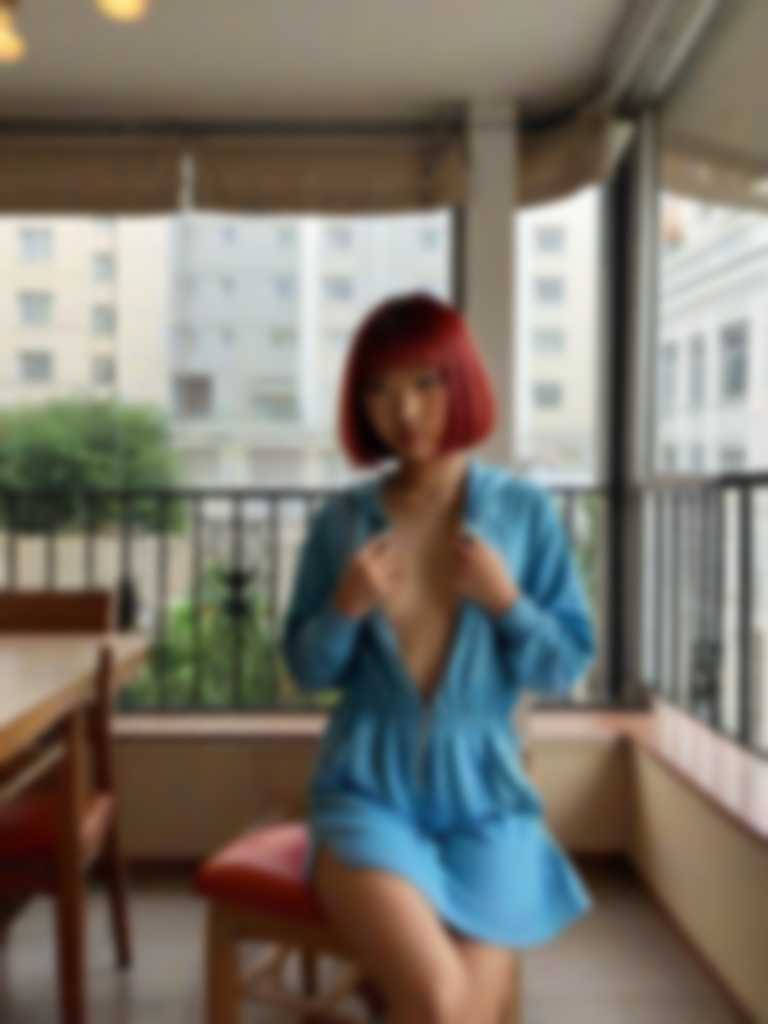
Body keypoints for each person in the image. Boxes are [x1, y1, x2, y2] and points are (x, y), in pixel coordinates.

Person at [280, 292, 597, 1024]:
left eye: (426, 383)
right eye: (380, 390)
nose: (406, 411)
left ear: (463, 382)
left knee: (447, 1009)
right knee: (441, 1002)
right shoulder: (341, 524)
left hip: (487, 802)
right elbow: (307, 669)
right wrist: (345, 608)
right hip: (367, 793)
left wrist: (507, 601)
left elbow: (564, 665)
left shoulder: (524, 514)